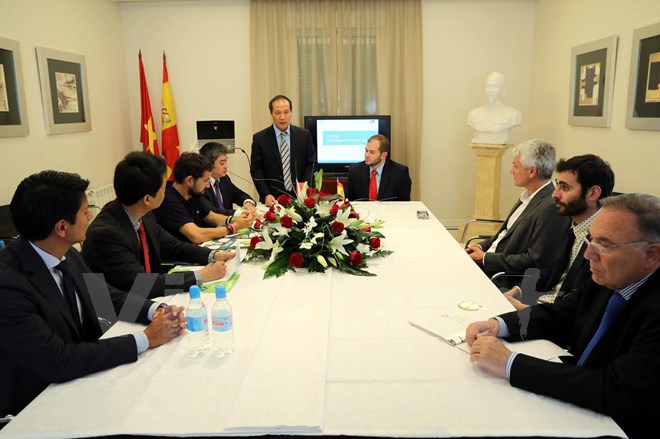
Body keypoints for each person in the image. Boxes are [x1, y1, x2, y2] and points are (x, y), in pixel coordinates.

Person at [466, 193, 660, 439]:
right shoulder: (610, 273)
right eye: (591, 241)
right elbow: (562, 314)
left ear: (652, 254)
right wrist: (499, 324)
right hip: (578, 400)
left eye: (605, 245)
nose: (588, 255)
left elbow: (615, 390)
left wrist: (510, 363)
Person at [0, 170, 185, 418]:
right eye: (85, 211)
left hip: (82, 379)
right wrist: (146, 339)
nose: (91, 216)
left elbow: (105, 297)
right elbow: (58, 361)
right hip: (36, 405)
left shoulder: (67, 253)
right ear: (62, 227)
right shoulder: (8, 283)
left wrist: (156, 310)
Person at [83, 152, 235, 299]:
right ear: (147, 199)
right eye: (163, 188)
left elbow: (173, 246)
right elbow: (142, 284)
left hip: (147, 299)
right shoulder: (106, 234)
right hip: (123, 309)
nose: (167, 191)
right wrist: (199, 276)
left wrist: (213, 255)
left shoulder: (143, 213)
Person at [503, 154, 615, 310]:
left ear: (593, 193)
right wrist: (517, 291)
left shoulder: (604, 242)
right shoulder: (570, 224)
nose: (555, 194)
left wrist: (524, 310)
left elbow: (580, 305)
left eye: (565, 187)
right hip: (539, 304)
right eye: (558, 185)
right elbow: (549, 268)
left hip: (554, 316)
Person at [465, 139, 571, 291]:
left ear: (532, 171)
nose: (511, 170)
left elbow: (535, 260)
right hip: (488, 264)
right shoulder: (527, 196)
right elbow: (503, 236)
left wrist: (486, 258)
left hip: (501, 277)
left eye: (515, 165)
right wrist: (479, 247)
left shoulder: (551, 207)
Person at [154, 152, 255, 244]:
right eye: (206, 180)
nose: (208, 186)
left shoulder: (192, 193)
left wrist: (236, 219)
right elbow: (196, 235)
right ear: (190, 180)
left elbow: (211, 217)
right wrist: (234, 227)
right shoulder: (169, 200)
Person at [250, 95, 316, 206]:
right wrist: (266, 194)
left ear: (291, 112)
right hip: (272, 200)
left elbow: (311, 164)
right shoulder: (260, 138)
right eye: (277, 113)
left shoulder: (304, 135)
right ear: (271, 114)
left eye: (286, 112)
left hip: (301, 198)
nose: (282, 117)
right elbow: (256, 170)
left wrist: (305, 188)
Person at [344, 134, 412, 202]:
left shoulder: (400, 173)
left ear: (383, 155)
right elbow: (349, 201)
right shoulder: (355, 171)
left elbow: (404, 203)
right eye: (366, 150)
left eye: (372, 152)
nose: (367, 155)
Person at [198, 141, 256, 216]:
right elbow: (212, 212)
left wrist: (247, 203)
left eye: (226, 161)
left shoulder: (224, 179)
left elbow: (238, 194)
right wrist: (239, 213)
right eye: (222, 163)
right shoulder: (202, 184)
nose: (226, 166)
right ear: (209, 164)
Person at [468, 72, 521, 144]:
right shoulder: (473, 114)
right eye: (488, 86)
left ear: (503, 89)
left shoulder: (513, 114)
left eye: (495, 86)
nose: (490, 90)